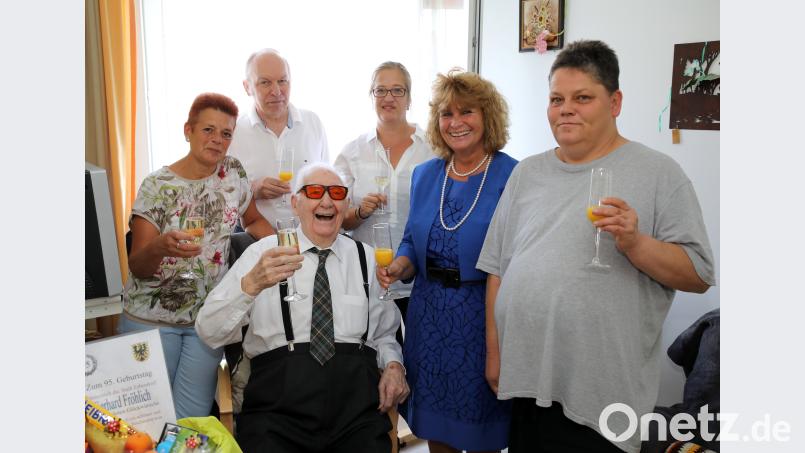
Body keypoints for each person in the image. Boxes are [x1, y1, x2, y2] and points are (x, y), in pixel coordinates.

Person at [476, 40, 715, 453]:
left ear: (615, 102)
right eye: (556, 99)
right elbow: (498, 267)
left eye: (582, 97)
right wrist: (496, 356)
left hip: (603, 392)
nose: (565, 109)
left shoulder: (659, 173)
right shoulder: (527, 173)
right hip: (529, 380)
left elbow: (698, 274)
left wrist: (635, 243)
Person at [196, 162, 409, 453]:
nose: (326, 201)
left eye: (336, 193)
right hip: (275, 414)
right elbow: (208, 331)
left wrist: (394, 367)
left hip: (355, 414)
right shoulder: (262, 253)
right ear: (295, 204)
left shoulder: (367, 258)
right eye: (314, 192)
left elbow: (384, 334)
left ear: (345, 204)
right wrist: (250, 285)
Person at [377, 70, 517, 453]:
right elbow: (411, 240)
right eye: (446, 114)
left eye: (466, 112)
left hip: (482, 321)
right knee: (437, 432)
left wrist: (498, 350)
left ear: (487, 116)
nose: (455, 123)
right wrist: (400, 266)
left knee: (482, 431)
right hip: (429, 318)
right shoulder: (425, 175)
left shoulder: (512, 176)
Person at [119, 93, 274, 419]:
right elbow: (138, 266)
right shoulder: (158, 185)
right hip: (150, 320)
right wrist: (161, 247)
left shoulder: (233, 173)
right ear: (187, 130)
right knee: (148, 423)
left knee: (191, 422)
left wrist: (288, 247)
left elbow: (255, 220)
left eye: (226, 133)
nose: (217, 140)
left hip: (207, 322)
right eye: (208, 130)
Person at [335, 61, 435, 345]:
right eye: (380, 90)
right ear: (371, 96)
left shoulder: (432, 148)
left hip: (419, 281)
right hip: (368, 280)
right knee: (374, 365)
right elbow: (335, 218)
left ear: (409, 98)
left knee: (417, 360)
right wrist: (360, 211)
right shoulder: (352, 152)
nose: (388, 98)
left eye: (397, 90)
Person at [228, 48, 329, 224]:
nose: (276, 91)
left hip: (310, 237)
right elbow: (221, 195)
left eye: (282, 81)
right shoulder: (232, 132)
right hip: (254, 240)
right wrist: (253, 190)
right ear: (247, 87)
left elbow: (328, 183)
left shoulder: (313, 123)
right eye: (265, 82)